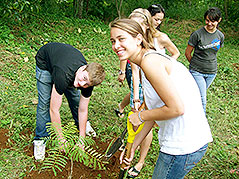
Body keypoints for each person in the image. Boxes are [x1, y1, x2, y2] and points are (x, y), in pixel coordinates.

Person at [110, 18, 213, 179]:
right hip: (184, 141)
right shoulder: (146, 62)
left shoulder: (150, 62)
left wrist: (140, 115)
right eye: (113, 41)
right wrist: (132, 148)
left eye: (121, 39)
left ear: (138, 39)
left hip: (184, 144)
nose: (116, 46)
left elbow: (176, 109)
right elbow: (154, 112)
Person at [125, 8, 180, 178]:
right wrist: (136, 98)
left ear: (146, 26)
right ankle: (133, 148)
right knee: (144, 119)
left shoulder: (156, 46)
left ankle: (141, 161)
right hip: (146, 85)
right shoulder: (135, 48)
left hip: (160, 85)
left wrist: (167, 70)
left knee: (145, 119)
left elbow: (176, 108)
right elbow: (135, 72)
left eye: (137, 26)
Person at [34, 42, 105, 160]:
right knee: (45, 104)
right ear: (83, 68)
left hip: (64, 65)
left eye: (87, 84)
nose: (82, 84)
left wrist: (81, 139)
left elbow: (83, 110)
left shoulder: (89, 80)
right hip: (45, 62)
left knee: (76, 99)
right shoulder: (64, 75)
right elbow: (54, 109)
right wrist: (61, 139)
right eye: (84, 78)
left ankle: (83, 126)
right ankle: (40, 140)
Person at [185, 7, 224, 114]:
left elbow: (214, 53)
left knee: (196, 94)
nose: (210, 23)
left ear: (219, 20)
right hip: (197, 71)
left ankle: (188, 111)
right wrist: (195, 65)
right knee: (202, 99)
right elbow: (187, 53)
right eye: (207, 20)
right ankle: (201, 122)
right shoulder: (197, 34)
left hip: (212, 72)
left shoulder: (220, 36)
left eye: (213, 21)